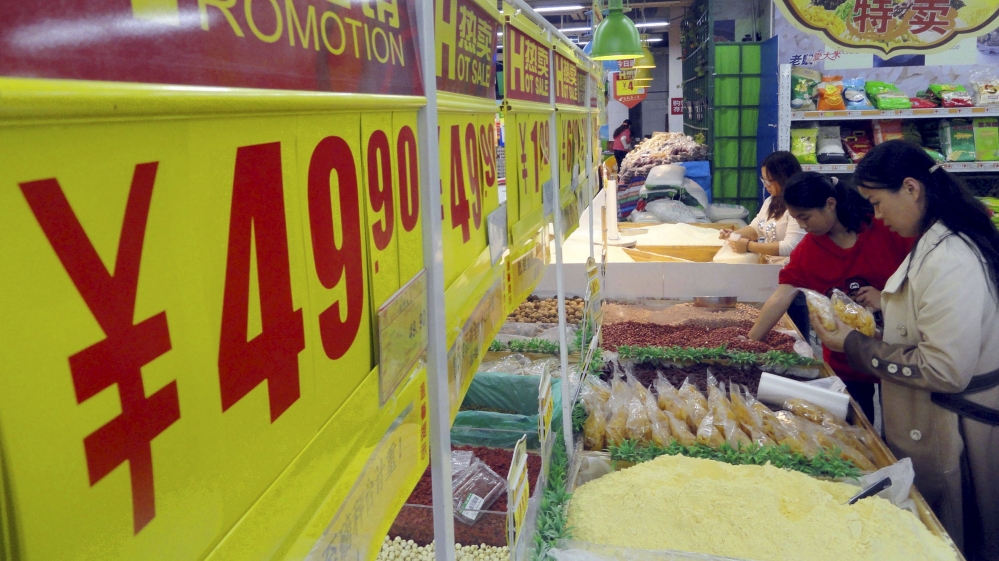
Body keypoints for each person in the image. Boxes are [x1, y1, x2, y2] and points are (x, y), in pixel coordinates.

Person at [810, 140, 998, 561]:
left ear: (911, 189)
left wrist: (856, 344)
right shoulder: (936, 243)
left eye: (878, 203)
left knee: (959, 538)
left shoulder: (951, 258)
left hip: (958, 431)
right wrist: (880, 326)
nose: (877, 217)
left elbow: (944, 368)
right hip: (935, 419)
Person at [746, 171, 912, 422]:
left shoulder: (884, 229)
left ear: (830, 204)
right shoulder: (808, 251)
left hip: (897, 353)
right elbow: (781, 296)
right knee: (856, 428)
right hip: (846, 360)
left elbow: (924, 282)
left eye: (805, 217)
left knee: (899, 428)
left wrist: (887, 299)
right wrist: (749, 342)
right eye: (796, 219)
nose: (803, 226)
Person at [719, 151, 806, 257]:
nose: (766, 185)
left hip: (788, 264)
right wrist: (733, 235)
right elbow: (756, 228)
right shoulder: (771, 201)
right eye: (764, 180)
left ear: (784, 178)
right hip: (770, 262)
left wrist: (748, 246)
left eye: (769, 181)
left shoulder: (799, 205)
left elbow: (791, 247)